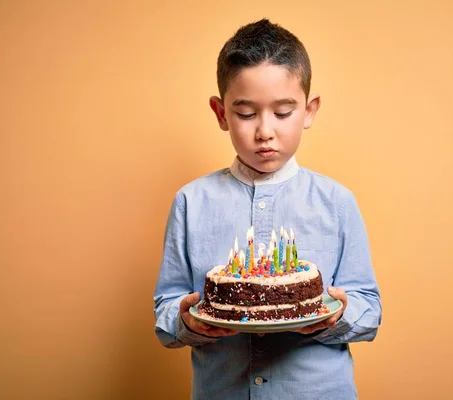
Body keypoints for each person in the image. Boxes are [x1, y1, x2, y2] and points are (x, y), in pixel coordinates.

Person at [153, 18, 382, 399]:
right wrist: (188, 319)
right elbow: (165, 314)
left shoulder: (337, 202)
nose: (264, 131)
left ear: (309, 111)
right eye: (245, 113)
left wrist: (336, 315)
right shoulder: (191, 203)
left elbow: (369, 310)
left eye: (283, 112)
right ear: (221, 113)